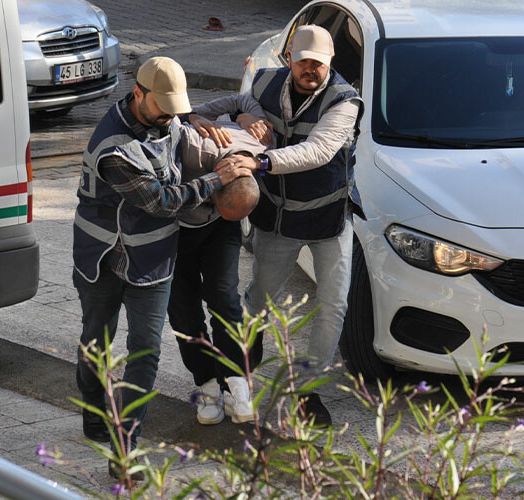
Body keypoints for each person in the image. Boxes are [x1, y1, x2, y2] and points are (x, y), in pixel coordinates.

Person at [72, 56, 252, 480]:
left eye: (177, 108)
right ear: (138, 94)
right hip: (101, 259)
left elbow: (191, 137)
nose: (171, 117)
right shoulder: (112, 146)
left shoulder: (170, 119)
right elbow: (160, 201)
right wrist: (217, 179)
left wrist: (237, 150)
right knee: (96, 343)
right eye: (164, 107)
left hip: (153, 260)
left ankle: (125, 448)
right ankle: (94, 416)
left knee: (146, 352)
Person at [188, 25, 364, 426]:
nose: (310, 70)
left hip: (328, 220)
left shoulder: (345, 101)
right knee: (256, 301)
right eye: (302, 61)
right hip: (276, 220)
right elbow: (206, 110)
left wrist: (259, 162)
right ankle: (238, 373)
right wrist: (230, 116)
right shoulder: (265, 83)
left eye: (318, 63)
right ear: (289, 60)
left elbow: (317, 151)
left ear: (330, 62)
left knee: (334, 305)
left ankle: (306, 390)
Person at [168, 117, 265, 426]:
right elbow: (171, 115)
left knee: (224, 298)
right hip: (174, 229)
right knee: (183, 310)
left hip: (219, 228)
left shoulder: (247, 151)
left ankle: (238, 385)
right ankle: (208, 386)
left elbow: (246, 102)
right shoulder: (188, 150)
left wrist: (246, 116)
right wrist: (191, 116)